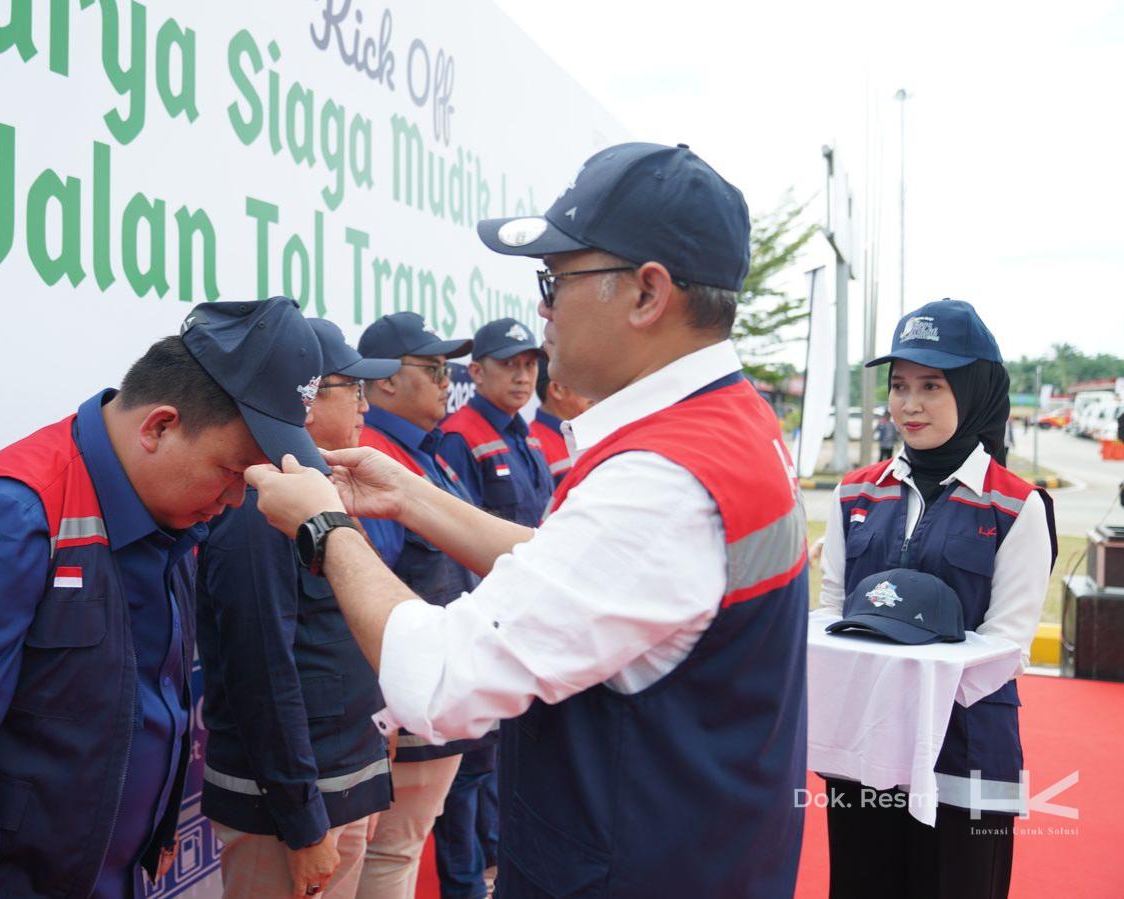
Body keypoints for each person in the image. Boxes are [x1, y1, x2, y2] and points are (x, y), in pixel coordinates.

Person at [243, 142, 810, 898]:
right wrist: (411, 496)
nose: (542, 310)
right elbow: (577, 575)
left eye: (556, 279)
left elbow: (438, 678)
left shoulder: (660, 478)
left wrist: (324, 530)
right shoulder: (726, 427)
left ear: (647, 294)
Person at [0, 298, 325, 898]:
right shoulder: (7, 515)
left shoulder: (175, 522)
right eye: (233, 471)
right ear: (159, 426)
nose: (237, 500)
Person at [819, 299, 1055, 899]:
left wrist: (918, 699)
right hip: (865, 746)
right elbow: (830, 609)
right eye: (899, 386)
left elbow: (1008, 644)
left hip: (969, 749)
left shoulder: (1016, 506)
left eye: (932, 386)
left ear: (974, 391)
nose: (909, 404)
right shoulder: (853, 493)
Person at [196, 318, 401, 898]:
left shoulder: (321, 485)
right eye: (353, 388)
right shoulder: (259, 503)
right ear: (305, 401)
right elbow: (260, 669)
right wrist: (303, 820)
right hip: (295, 808)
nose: (366, 405)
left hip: (348, 775)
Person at [352, 310, 480, 898]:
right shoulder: (373, 453)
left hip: (439, 685)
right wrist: (386, 710)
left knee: (401, 847)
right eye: (431, 368)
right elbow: (365, 586)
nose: (444, 381)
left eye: (446, 369)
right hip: (404, 697)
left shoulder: (430, 451)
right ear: (383, 381)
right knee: (391, 853)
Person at [433, 317, 555, 898]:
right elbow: (461, 536)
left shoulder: (525, 433)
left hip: (525, 622)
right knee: (468, 769)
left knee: (499, 762)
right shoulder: (461, 434)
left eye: (530, 364)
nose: (522, 375)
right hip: (484, 621)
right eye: (509, 364)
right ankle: (465, 882)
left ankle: (493, 867)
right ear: (475, 372)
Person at [530, 365, 594, 486]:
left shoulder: (589, 434)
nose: (595, 392)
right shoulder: (532, 446)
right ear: (557, 389)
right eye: (586, 381)